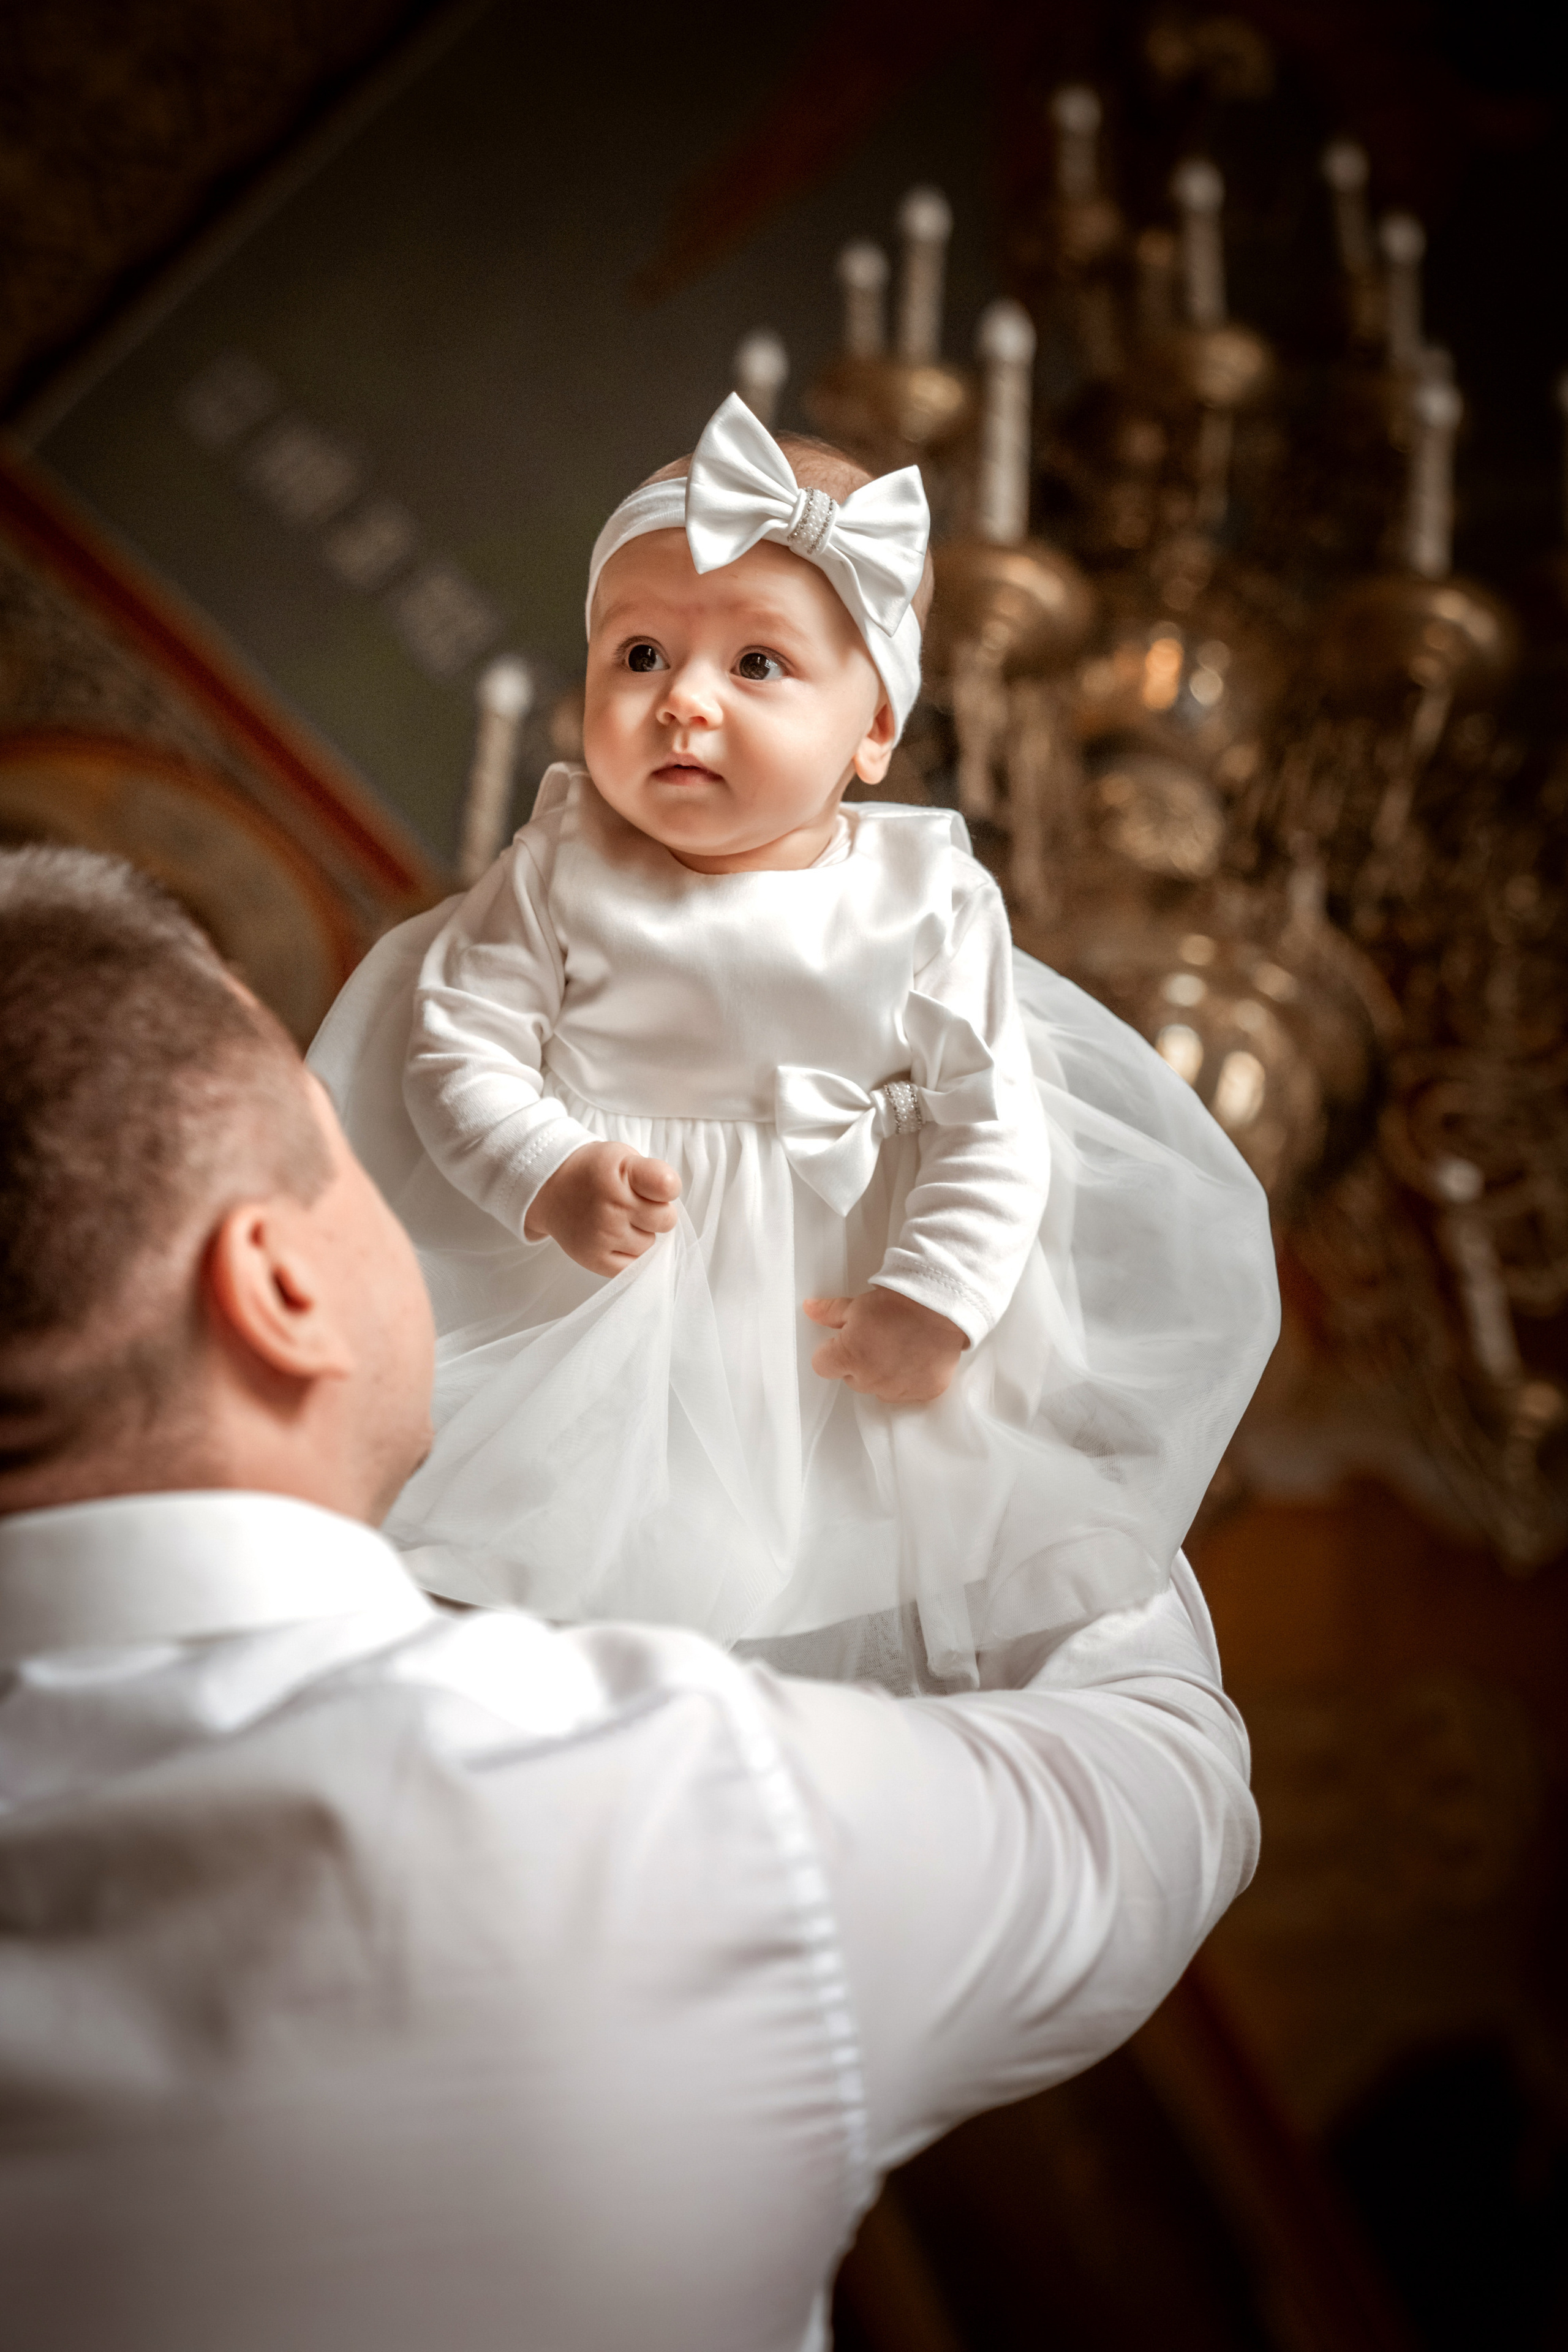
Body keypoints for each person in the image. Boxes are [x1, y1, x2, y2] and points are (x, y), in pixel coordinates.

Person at [0, 844, 1259, 2352]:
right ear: (279, 1287)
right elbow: (1162, 1780)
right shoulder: (661, 1815)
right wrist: (986, 1439)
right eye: (345, 1143)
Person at [311, 395, 1279, 1689]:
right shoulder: (559, 866)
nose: (681, 701)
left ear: (872, 730)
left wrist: (938, 1293)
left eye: (756, 665)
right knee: (540, 1579)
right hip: (591, 1300)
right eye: (638, 654)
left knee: (831, 1584)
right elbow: (457, 1049)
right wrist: (547, 1167)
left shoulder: (927, 899)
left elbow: (991, 1125)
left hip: (830, 1307)